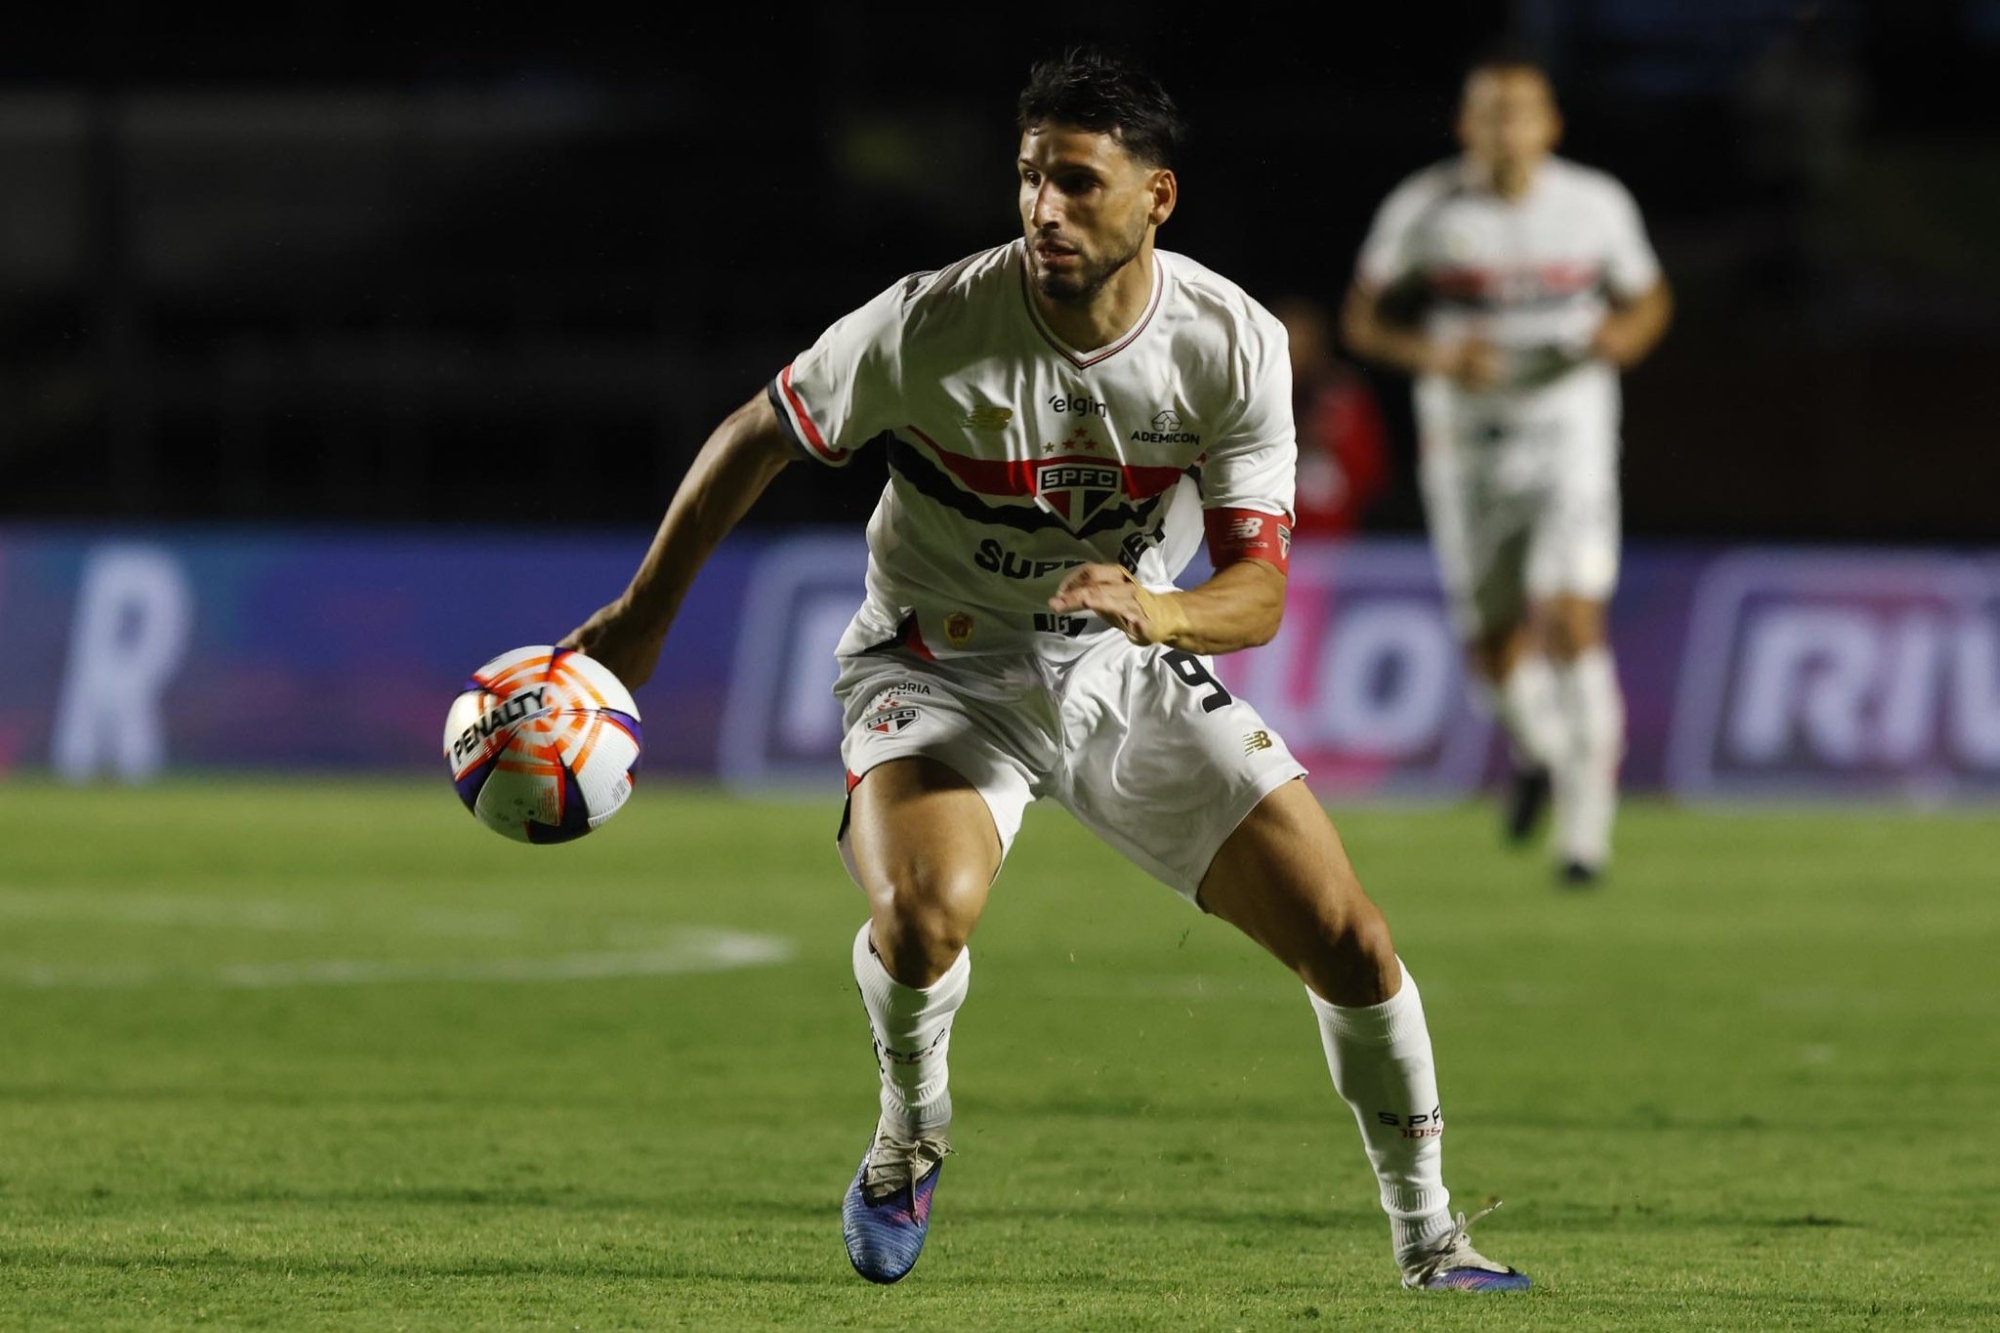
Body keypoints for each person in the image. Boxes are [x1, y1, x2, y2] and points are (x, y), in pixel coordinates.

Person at [563, 47, 1528, 1293]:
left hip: (1125, 666)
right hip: (939, 665)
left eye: (1076, 182)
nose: (1043, 209)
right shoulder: (927, 324)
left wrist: (1158, 610)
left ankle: (1430, 1238)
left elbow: (1258, 591)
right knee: (923, 917)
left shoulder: (1230, 342)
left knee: (1349, 937)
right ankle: (910, 1131)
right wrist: (644, 616)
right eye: (1028, 178)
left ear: (1155, 198)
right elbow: (759, 433)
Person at [1340, 43, 1672, 886]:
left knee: (1570, 619)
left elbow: (1649, 299)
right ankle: (1541, 750)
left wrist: (1624, 338)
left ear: (1550, 124)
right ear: (1465, 125)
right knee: (1490, 642)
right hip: (1467, 442)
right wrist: (1435, 355)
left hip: (1570, 432)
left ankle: (1585, 840)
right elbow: (1363, 321)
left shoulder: (1595, 205)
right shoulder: (1423, 209)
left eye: (1519, 112)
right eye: (1489, 113)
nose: (1505, 129)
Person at [1271, 294, 1392, 539]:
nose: (1297, 359)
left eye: (1305, 347)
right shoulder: (1245, 400)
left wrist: (1325, 441)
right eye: (1288, 348)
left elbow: (1374, 476)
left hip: (1341, 543)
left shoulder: (1344, 398)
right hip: (1263, 540)